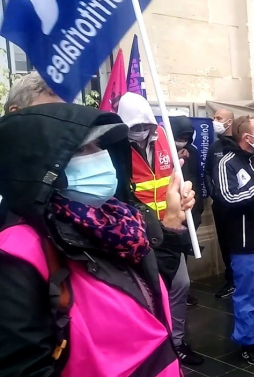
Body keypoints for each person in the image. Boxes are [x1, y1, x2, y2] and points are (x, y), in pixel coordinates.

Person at [0, 102, 196, 376]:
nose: (101, 155)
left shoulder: (120, 220)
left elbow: (144, 291)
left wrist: (171, 225)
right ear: (41, 166)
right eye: (82, 149)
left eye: (101, 145)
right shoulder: (17, 254)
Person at [117, 93, 203, 365]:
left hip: (170, 227)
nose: (142, 131)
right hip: (137, 232)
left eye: (146, 125)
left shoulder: (164, 136)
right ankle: (150, 341)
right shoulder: (115, 147)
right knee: (146, 290)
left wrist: (185, 196)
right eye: (135, 126)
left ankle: (176, 341)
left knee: (180, 285)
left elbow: (175, 178)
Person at [211, 115, 254, 366]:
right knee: (248, 294)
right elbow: (228, 198)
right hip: (245, 242)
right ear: (247, 137)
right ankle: (248, 343)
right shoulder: (227, 163)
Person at [170, 115, 205, 307]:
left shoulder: (192, 151)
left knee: (184, 251)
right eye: (179, 136)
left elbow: (197, 178)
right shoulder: (163, 152)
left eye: (186, 137)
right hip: (172, 211)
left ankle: (185, 291)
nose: (182, 140)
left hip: (192, 208)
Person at [206, 109, 237, 299]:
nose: (214, 121)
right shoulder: (214, 146)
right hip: (220, 206)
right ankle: (230, 280)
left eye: (218, 118)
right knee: (224, 243)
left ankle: (242, 279)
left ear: (230, 122)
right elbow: (207, 172)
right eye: (214, 117)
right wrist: (214, 194)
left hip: (239, 206)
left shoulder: (240, 143)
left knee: (238, 244)